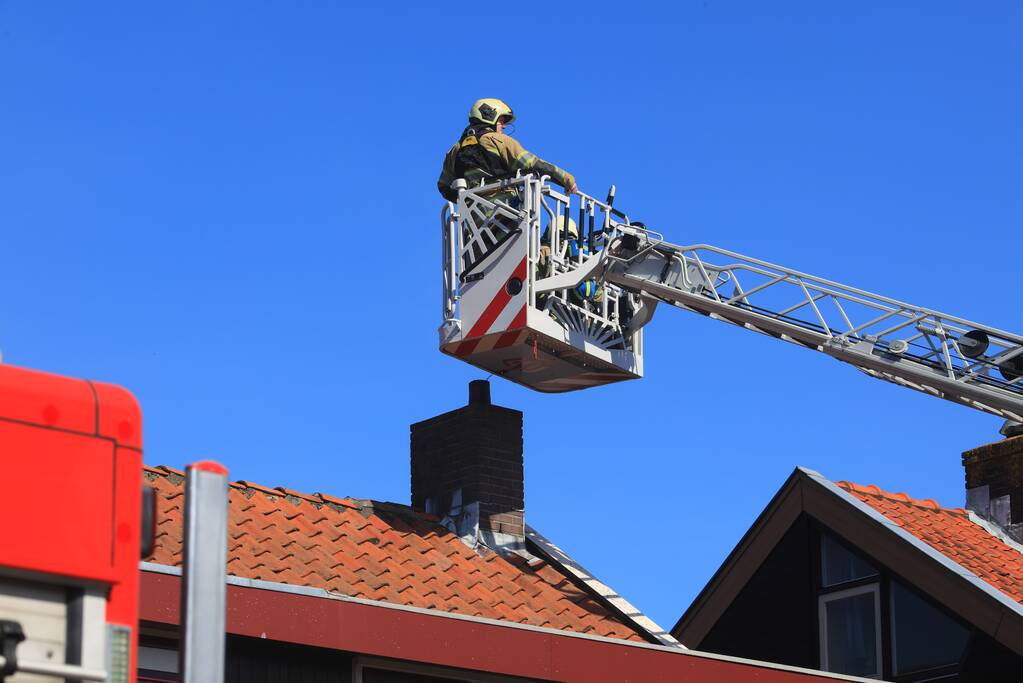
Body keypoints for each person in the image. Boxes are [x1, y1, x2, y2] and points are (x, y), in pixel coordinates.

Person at [437, 98, 578, 203]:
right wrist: (567, 179)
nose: (503, 126)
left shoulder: (454, 151)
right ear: (489, 116)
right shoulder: (498, 140)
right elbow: (533, 164)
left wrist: (467, 201)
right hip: (505, 219)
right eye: (502, 120)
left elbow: (444, 186)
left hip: (473, 226)